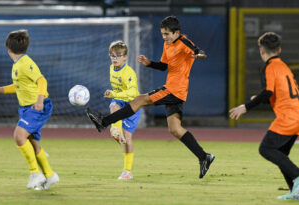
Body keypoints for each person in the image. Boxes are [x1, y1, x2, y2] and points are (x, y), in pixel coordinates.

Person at [86, 16, 215, 179]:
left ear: (177, 33)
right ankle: (204, 157)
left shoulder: (183, 42)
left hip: (174, 89)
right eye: (162, 34)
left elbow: (199, 51)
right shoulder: (167, 44)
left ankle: (103, 121)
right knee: (175, 129)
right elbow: (164, 66)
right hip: (176, 91)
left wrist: (199, 56)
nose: (164, 37)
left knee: (139, 100)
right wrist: (149, 64)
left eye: (167, 34)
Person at [229, 32, 299, 200]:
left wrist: (246, 106)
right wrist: (258, 99)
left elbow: (267, 92)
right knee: (280, 154)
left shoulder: (269, 67)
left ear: (261, 51)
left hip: (289, 116)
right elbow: (275, 94)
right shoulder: (283, 66)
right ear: (279, 50)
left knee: (266, 149)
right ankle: (297, 192)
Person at [0, 29, 59, 190]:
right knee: (32, 142)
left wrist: (39, 101)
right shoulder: (19, 64)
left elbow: (42, 81)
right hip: (27, 108)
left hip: (37, 106)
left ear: (8, 49)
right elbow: (18, 86)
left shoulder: (25, 63)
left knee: (19, 136)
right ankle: (50, 175)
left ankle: (35, 174)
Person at [106, 40, 142, 180]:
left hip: (133, 105)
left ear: (125, 57)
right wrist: (115, 96)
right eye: (112, 55)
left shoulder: (129, 73)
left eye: (118, 55)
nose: (115, 59)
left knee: (127, 139)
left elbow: (132, 94)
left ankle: (127, 171)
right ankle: (115, 128)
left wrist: (113, 94)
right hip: (120, 101)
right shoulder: (111, 68)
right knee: (114, 106)